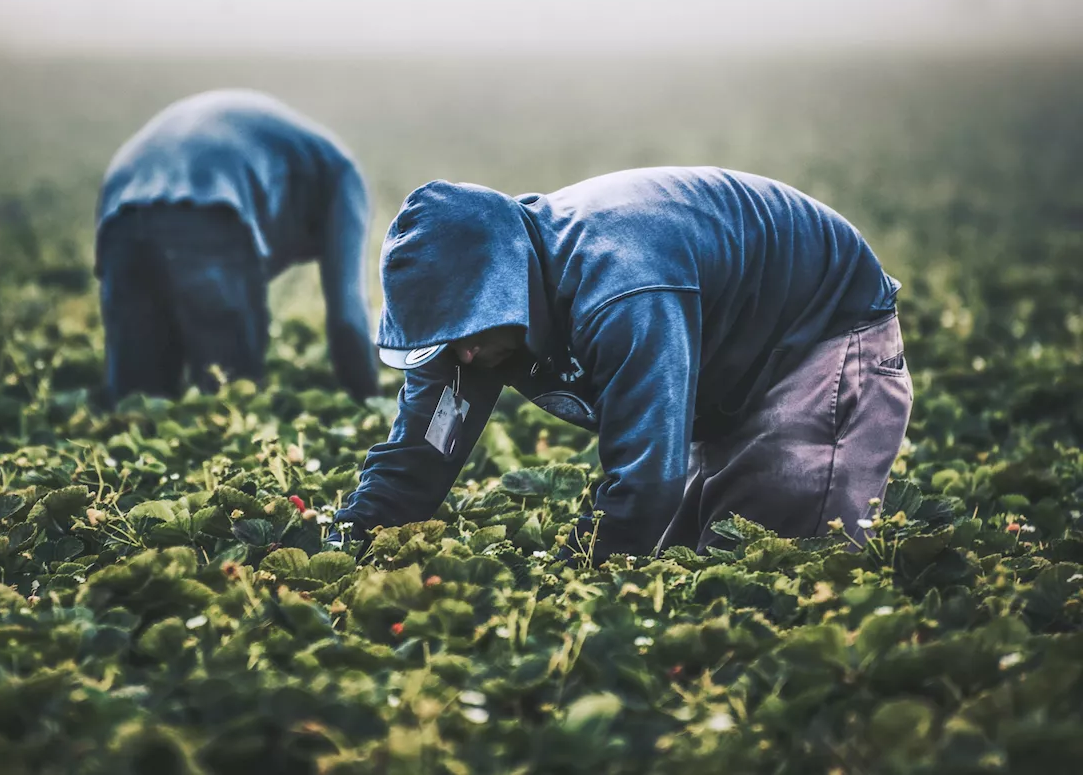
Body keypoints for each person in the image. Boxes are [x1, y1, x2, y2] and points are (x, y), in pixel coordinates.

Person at [334, 167, 913, 562]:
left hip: (821, 333)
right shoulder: (472, 333)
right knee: (696, 560)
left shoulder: (622, 286)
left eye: (469, 331)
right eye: (445, 338)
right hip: (722, 357)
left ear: (506, 288)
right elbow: (419, 455)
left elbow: (646, 480)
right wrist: (347, 542)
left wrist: (568, 576)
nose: (462, 356)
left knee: (784, 558)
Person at [94, 89, 378, 404]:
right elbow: (347, 317)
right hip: (210, 205)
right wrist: (368, 400)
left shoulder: (299, 158)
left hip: (120, 207)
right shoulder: (345, 177)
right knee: (230, 397)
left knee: (137, 404)